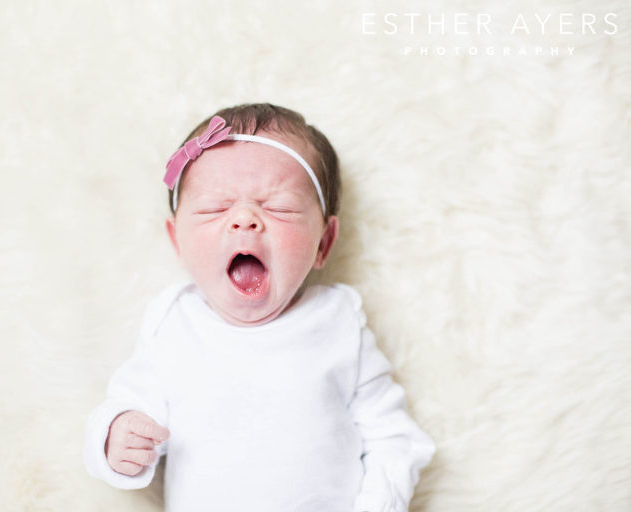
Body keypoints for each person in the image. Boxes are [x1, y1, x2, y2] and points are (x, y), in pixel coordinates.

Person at [83, 103, 435, 512]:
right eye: (215, 208)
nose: (245, 220)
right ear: (177, 241)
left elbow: (394, 439)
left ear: (323, 242)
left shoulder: (338, 321)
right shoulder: (175, 323)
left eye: (279, 207)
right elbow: (129, 406)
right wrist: (115, 437)